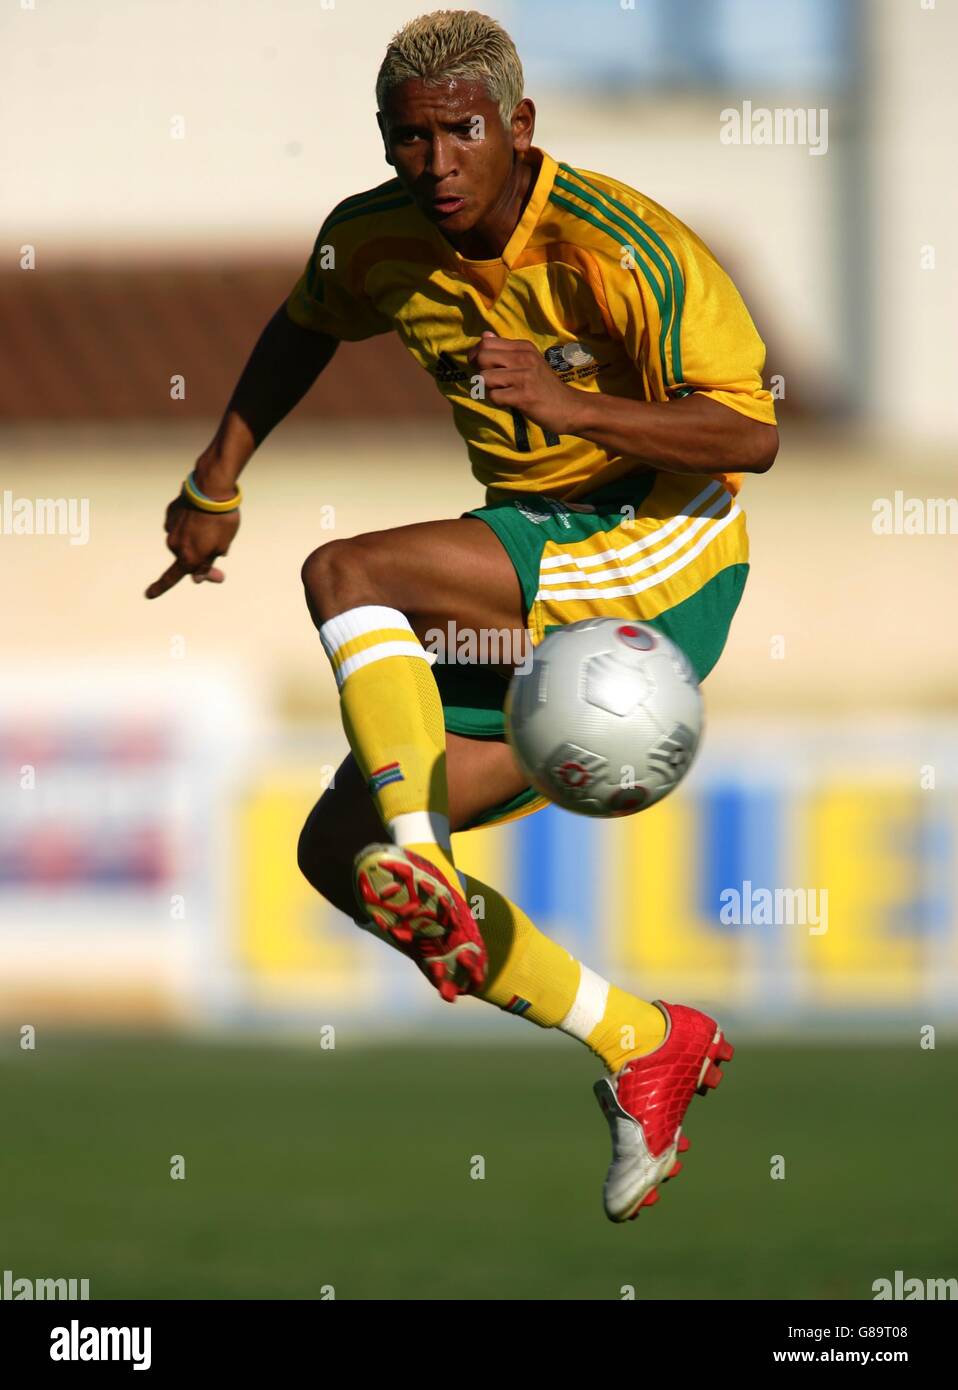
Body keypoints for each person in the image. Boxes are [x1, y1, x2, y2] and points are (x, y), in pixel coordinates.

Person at [147, 9, 778, 1223]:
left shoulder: (624, 246)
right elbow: (302, 325)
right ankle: (645, 1039)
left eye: (461, 133)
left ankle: (427, 864)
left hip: (658, 546)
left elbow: (748, 433)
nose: (434, 164)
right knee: (344, 851)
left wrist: (566, 402)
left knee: (346, 573)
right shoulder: (375, 239)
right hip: (537, 563)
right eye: (408, 139)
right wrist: (212, 480)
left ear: (519, 127)